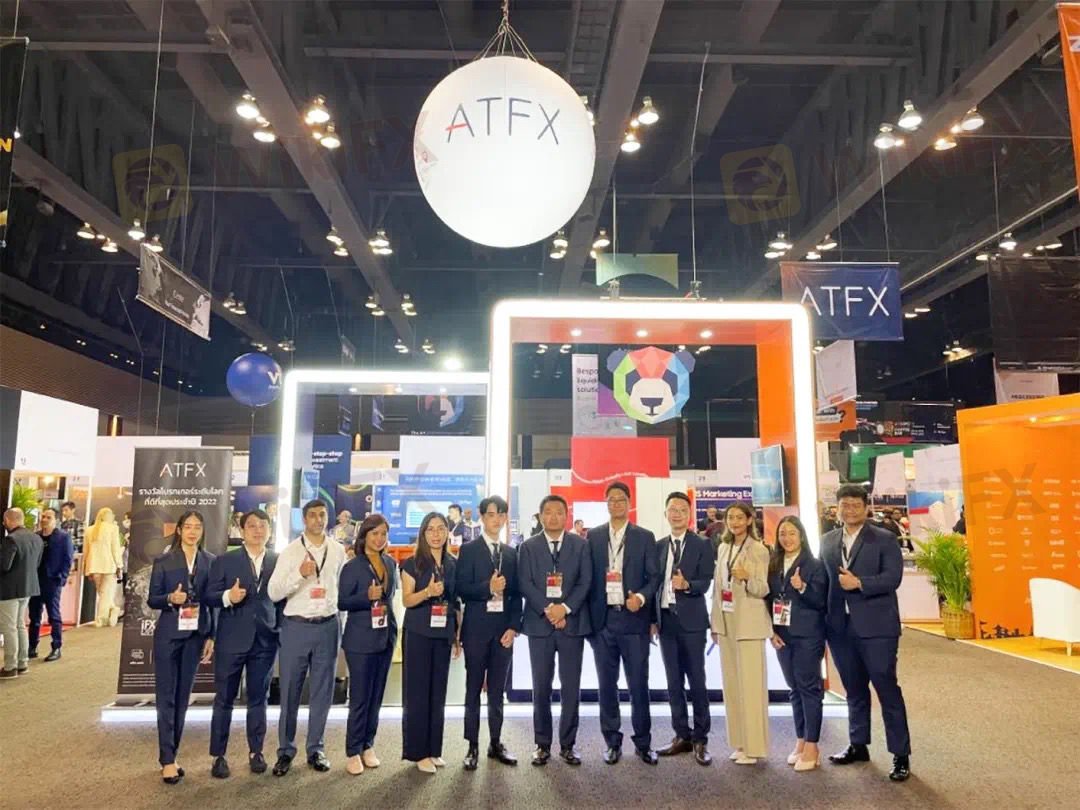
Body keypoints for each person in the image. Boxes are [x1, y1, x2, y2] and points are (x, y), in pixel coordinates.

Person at [822, 484, 911, 782]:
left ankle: (900, 755)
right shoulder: (827, 541)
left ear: (866, 508)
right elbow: (825, 582)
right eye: (844, 506)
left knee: (887, 689)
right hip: (840, 628)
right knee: (854, 690)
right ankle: (858, 744)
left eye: (855, 505)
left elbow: (893, 578)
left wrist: (860, 583)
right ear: (837, 509)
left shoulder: (884, 538)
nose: (849, 510)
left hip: (878, 628)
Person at [267, 499, 346, 777]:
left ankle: (316, 749)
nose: (318, 520)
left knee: (322, 692)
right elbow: (273, 592)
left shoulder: (338, 551)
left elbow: (339, 588)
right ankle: (286, 751)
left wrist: (338, 620)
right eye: (312, 515)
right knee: (290, 690)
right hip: (297, 627)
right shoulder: (291, 551)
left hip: (328, 626)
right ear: (304, 519)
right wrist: (300, 576)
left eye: (322, 515)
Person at [586, 482, 659, 766]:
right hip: (603, 621)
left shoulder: (644, 536)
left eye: (621, 499)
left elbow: (654, 578)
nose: (616, 504)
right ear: (606, 503)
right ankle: (612, 742)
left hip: (634, 620)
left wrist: (640, 597)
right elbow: (588, 578)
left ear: (629, 503)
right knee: (607, 685)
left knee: (638, 684)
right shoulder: (594, 536)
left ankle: (643, 742)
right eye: (611, 499)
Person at [518, 495, 592, 766]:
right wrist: (550, 610)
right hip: (540, 625)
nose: (553, 517)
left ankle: (568, 744)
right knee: (541, 686)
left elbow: (585, 581)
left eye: (559, 512)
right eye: (547, 512)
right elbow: (525, 583)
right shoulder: (527, 547)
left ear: (566, 516)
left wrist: (565, 609)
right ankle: (542, 744)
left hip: (572, 624)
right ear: (540, 516)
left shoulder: (581, 545)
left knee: (571, 687)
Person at [206, 509, 280, 779]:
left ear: (269, 530)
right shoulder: (225, 560)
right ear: (242, 530)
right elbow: (209, 595)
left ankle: (256, 751)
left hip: (265, 639)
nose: (258, 530)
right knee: (224, 698)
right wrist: (228, 596)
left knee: (259, 698)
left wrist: (279, 629)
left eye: (263, 525)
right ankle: (218, 755)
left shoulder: (278, 561)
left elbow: (283, 599)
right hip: (231, 638)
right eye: (252, 526)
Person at [147, 510, 215, 784]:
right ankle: (166, 759)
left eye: (197, 527)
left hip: (196, 635)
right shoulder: (164, 561)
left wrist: (211, 636)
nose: (192, 531)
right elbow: (152, 599)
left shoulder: (210, 561)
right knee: (166, 697)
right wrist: (169, 598)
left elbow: (212, 603)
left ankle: (172, 755)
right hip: (168, 635)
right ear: (179, 530)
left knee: (183, 696)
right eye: (188, 526)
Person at [456, 495, 522, 771]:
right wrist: (488, 588)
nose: (497, 519)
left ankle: (495, 743)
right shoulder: (469, 550)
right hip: (475, 631)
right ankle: (472, 745)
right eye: (491, 514)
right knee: (473, 690)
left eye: (501, 514)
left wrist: (513, 627)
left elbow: (516, 595)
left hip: (502, 634)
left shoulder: (511, 553)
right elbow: (461, 589)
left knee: (497, 692)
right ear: (482, 517)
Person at [655, 492, 714, 766]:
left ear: (689, 514)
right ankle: (681, 735)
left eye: (682, 509)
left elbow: (706, 581)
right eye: (672, 509)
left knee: (697, 681)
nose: (676, 514)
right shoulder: (658, 546)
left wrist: (687, 585)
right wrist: (652, 620)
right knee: (673, 682)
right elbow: (654, 584)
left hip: (692, 623)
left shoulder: (702, 544)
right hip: (666, 622)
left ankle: (701, 738)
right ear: (665, 514)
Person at [711, 501, 772, 765]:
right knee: (733, 686)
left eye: (739, 517)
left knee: (751, 688)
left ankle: (755, 747)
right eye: (730, 518)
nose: (734, 522)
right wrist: (715, 623)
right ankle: (740, 742)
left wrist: (747, 577)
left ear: (749, 520)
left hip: (749, 623)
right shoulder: (723, 547)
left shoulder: (758, 549)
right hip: (727, 621)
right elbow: (718, 589)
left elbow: (762, 589)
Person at [400, 511, 460, 774]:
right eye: (431, 529)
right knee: (417, 694)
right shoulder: (413, 563)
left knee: (438, 693)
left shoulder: (453, 563)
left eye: (441, 529)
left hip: (443, 633)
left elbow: (455, 602)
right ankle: (418, 752)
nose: (436, 534)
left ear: (447, 532)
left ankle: (434, 749)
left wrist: (457, 636)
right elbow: (407, 600)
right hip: (418, 634)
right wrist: (427, 592)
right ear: (423, 533)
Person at [339, 513, 398, 775]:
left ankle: (368, 745)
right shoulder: (353, 566)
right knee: (360, 698)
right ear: (364, 536)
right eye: (375, 533)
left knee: (376, 697)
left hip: (385, 637)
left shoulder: (390, 563)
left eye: (383, 533)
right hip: (360, 640)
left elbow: (389, 597)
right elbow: (342, 602)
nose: (379, 538)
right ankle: (353, 750)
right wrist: (366, 596)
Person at [767, 516, 828, 772]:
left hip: (808, 635)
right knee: (794, 688)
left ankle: (813, 746)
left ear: (801, 535)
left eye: (792, 533)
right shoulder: (774, 564)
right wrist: (771, 631)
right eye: (783, 533)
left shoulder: (814, 565)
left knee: (809, 688)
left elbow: (821, 601)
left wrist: (802, 587)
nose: (787, 538)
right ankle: (801, 740)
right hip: (783, 635)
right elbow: (769, 599)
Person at [0, 509, 43, 678]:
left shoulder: (10, 539)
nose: (3, 524)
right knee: (20, 625)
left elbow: (4, 566)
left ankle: (10, 667)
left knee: (9, 627)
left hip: (9, 590)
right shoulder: (36, 538)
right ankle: (22, 663)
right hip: (28, 588)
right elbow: (37, 564)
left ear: (8, 520)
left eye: (4, 520)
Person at [28, 508, 74, 662]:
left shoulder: (63, 537)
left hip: (52, 581)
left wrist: (61, 578)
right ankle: (32, 647)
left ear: (56, 520)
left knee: (53, 616)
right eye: (43, 516)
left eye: (48, 517)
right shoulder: (36, 536)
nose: (44, 519)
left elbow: (68, 559)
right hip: (35, 580)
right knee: (34, 616)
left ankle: (56, 647)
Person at [84, 507, 125, 627]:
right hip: (109, 565)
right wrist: (119, 565)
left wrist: (86, 567)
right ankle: (102, 618)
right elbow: (115, 549)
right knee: (105, 594)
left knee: (102, 594)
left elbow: (86, 550)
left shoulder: (89, 530)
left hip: (93, 566)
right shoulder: (113, 528)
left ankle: (111, 611)